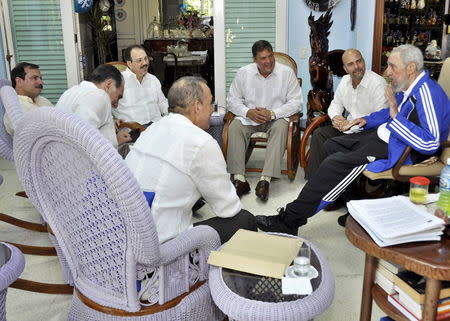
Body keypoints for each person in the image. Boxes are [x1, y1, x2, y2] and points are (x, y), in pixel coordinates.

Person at [256, 44, 450, 235]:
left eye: (392, 66)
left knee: (334, 163)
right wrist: (366, 120)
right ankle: (355, 206)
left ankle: (289, 220)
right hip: (384, 135)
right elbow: (385, 112)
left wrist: (395, 116)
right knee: (331, 144)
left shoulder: (427, 93)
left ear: (411, 68)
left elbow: (430, 143)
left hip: (397, 149)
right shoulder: (409, 87)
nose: (388, 72)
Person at [125, 76, 257, 244]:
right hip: (162, 247)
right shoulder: (202, 142)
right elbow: (227, 208)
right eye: (210, 103)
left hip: (128, 236)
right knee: (245, 220)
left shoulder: (150, 130)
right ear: (197, 106)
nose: (211, 110)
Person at [226, 40, 303, 201]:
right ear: (254, 59)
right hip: (250, 119)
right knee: (234, 126)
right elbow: (232, 100)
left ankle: (265, 179)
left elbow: (296, 103)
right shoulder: (243, 73)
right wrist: (248, 112)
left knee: (282, 126)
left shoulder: (286, 73)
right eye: (263, 58)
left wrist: (273, 113)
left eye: (270, 56)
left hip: (275, 119)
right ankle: (239, 178)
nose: (268, 61)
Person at [304, 49, 388, 180]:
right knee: (319, 134)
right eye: (351, 64)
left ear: (363, 61)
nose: (357, 67)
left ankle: (333, 181)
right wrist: (337, 118)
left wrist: (351, 125)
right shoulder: (344, 81)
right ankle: (313, 181)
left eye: (359, 61)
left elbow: (382, 117)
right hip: (347, 130)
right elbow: (335, 105)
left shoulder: (378, 83)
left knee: (332, 143)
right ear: (345, 68)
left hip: (367, 134)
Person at [56, 64, 131, 149]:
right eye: (118, 97)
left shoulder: (70, 92)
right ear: (108, 85)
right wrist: (114, 140)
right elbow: (85, 141)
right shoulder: (99, 96)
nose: (116, 105)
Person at [113, 45, 168, 137]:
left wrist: (174, 116)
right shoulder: (118, 81)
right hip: (134, 129)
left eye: (146, 59)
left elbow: (162, 102)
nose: (145, 63)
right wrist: (111, 120)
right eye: (139, 60)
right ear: (129, 63)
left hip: (157, 125)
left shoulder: (153, 79)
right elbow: (106, 107)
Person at [4, 62, 52, 135]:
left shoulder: (42, 100)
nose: (41, 82)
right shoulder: (15, 110)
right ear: (19, 81)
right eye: (35, 78)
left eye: (40, 78)